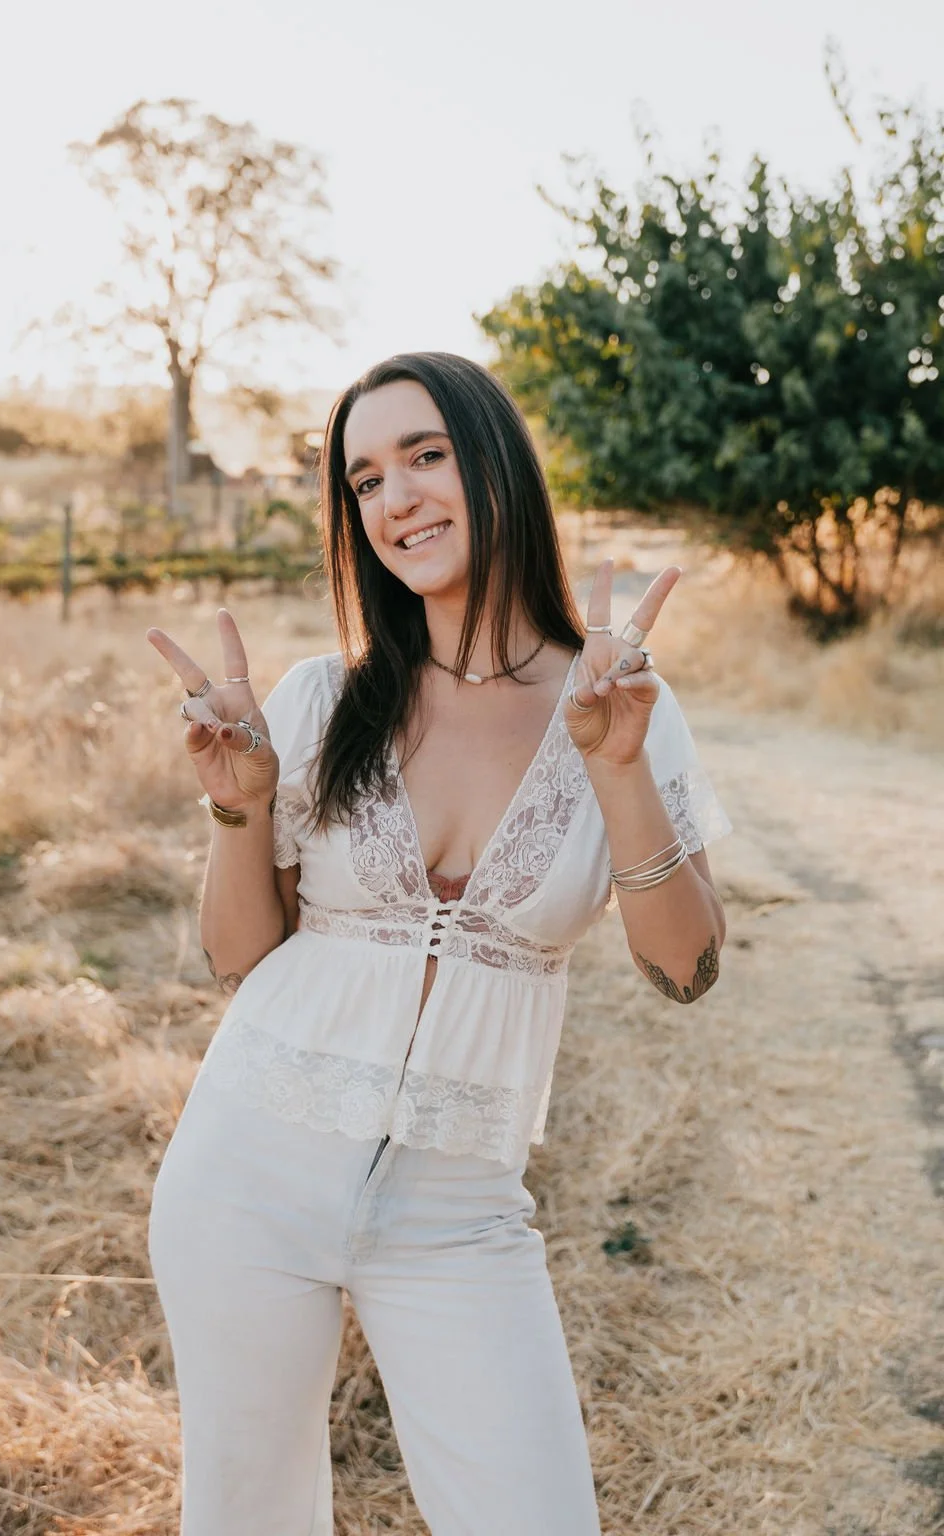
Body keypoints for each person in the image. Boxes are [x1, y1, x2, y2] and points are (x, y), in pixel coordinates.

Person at [146, 351, 731, 1535]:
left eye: (425, 455)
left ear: (497, 464)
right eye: (364, 480)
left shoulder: (619, 704)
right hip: (245, 1170)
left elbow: (687, 969)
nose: (397, 497)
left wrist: (616, 770)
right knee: (247, 1514)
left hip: (457, 1208)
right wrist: (239, 806)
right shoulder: (321, 699)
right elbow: (239, 965)